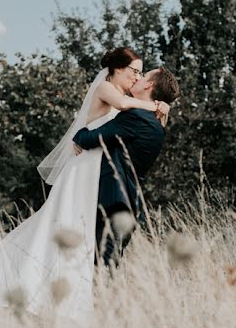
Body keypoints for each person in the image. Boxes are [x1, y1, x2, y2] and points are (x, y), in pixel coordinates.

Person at [0, 47, 169, 327]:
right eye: (135, 71)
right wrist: (155, 106)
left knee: (77, 232)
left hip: (94, 170)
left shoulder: (131, 109)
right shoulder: (107, 88)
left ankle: (66, 300)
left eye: (140, 73)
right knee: (62, 223)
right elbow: (120, 107)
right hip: (84, 167)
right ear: (118, 69)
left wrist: (156, 107)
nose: (137, 76)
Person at [73, 67, 180, 269]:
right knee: (104, 269)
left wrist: (78, 134)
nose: (137, 78)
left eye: (143, 75)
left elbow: (88, 139)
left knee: (100, 270)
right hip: (128, 204)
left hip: (113, 201)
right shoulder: (155, 121)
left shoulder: (137, 117)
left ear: (149, 85)